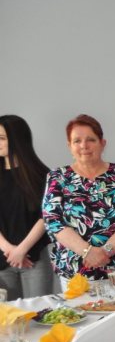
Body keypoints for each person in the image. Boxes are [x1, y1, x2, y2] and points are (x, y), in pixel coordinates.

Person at [42, 115, 115, 287]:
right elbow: (53, 222)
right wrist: (87, 252)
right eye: (77, 141)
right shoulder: (57, 177)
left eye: (91, 139)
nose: (84, 146)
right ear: (69, 146)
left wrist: (105, 251)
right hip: (75, 276)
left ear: (102, 143)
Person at [0, 115, 53, 299]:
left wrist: (22, 250)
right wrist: (10, 250)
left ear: (17, 140)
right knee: (7, 315)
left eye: (2, 138)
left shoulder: (42, 174)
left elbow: (46, 215)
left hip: (34, 259)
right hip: (3, 260)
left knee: (40, 311)